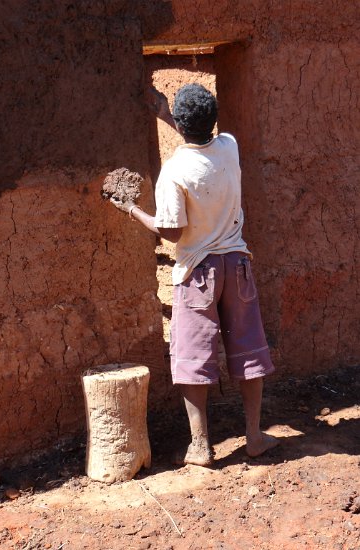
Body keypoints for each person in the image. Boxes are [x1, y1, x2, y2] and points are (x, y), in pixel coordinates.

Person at [110, 83, 278, 466]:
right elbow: (202, 139)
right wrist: (169, 114)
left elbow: (171, 231)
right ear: (213, 120)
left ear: (181, 125)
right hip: (236, 264)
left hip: (198, 271)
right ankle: (253, 436)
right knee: (248, 349)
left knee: (192, 355)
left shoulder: (174, 172)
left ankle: (200, 445)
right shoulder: (230, 147)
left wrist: (131, 210)